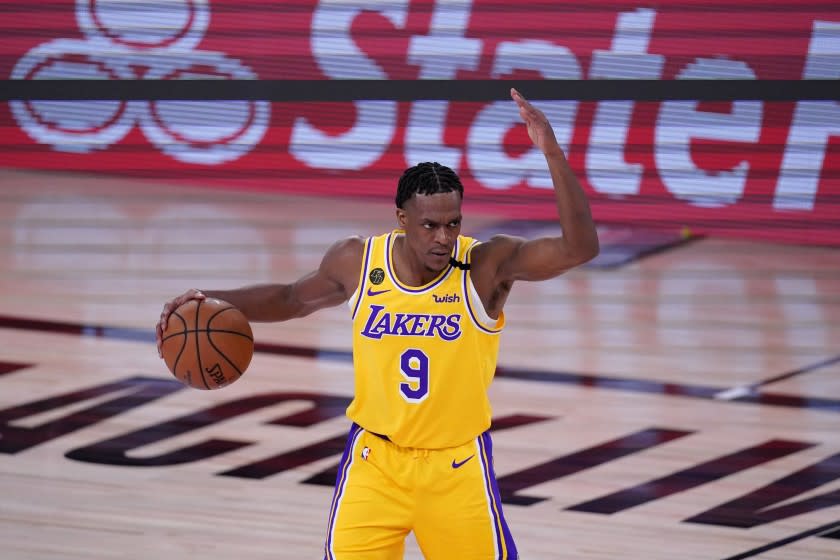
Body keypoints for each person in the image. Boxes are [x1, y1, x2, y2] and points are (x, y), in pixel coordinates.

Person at [156, 88, 599, 560]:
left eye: (453, 223)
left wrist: (551, 152)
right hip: (375, 463)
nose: (444, 237)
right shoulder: (358, 260)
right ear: (402, 219)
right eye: (430, 225)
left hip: (455, 467)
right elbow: (290, 298)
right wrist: (211, 299)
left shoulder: (486, 266)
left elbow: (580, 248)